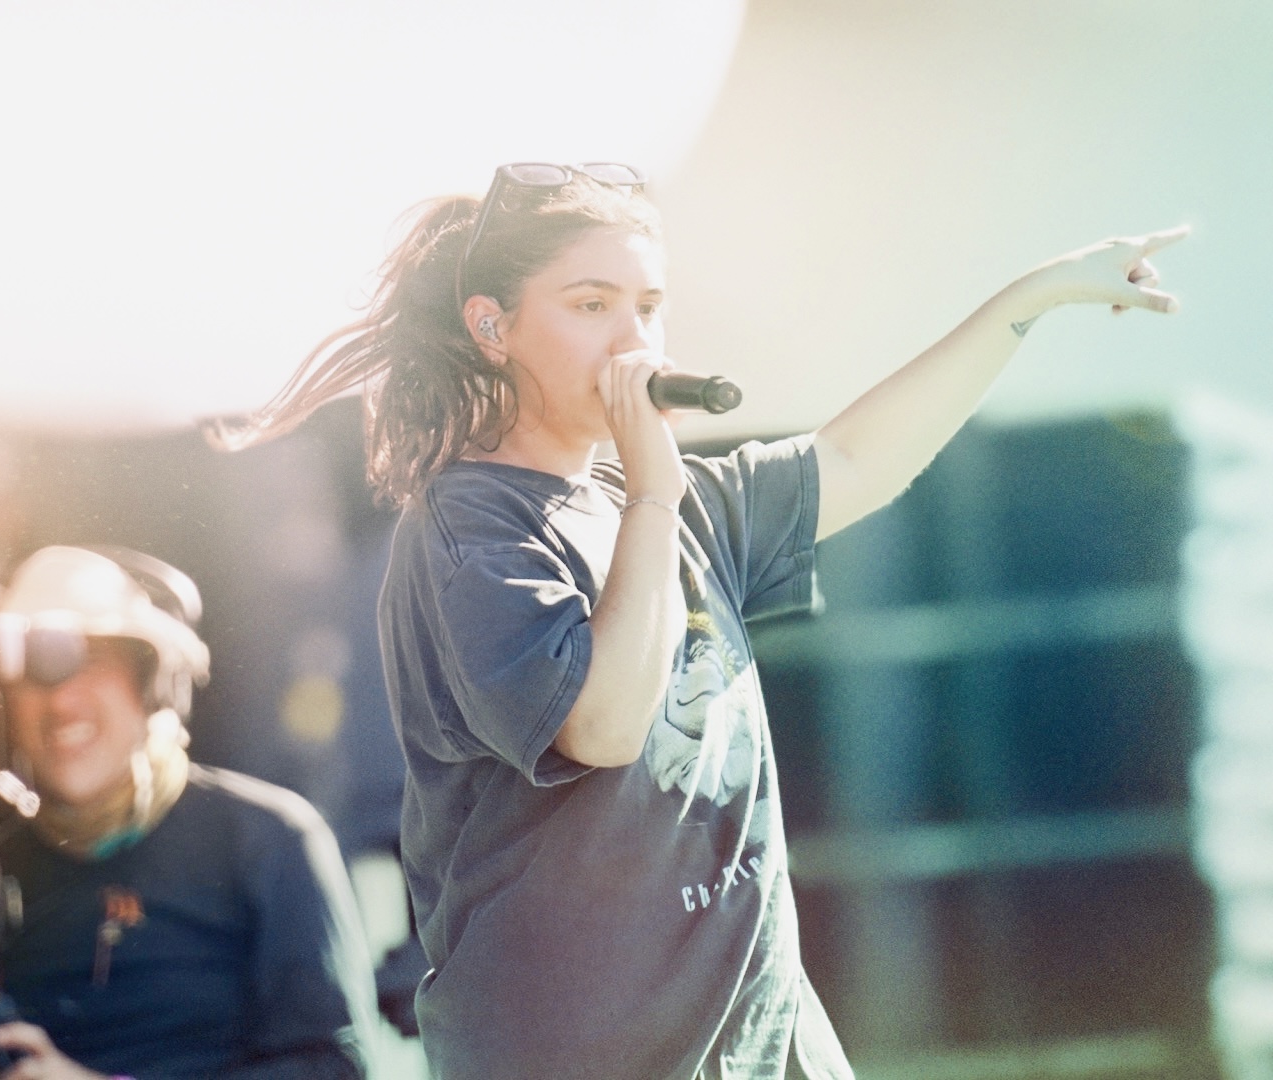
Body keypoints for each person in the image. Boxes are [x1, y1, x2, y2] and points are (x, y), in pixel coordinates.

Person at [213, 162, 1186, 1079]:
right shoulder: (468, 527)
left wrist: (1031, 300)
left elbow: (855, 459)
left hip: (755, 1042)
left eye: (648, 306)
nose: (631, 340)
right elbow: (602, 727)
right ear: (491, 325)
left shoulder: (668, 504)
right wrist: (651, 490)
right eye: (591, 305)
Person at [0, 545, 380, 1080]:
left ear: (150, 684)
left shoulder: (264, 840)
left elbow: (334, 1069)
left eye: (87, 662)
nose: (62, 701)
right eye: (36, 673)